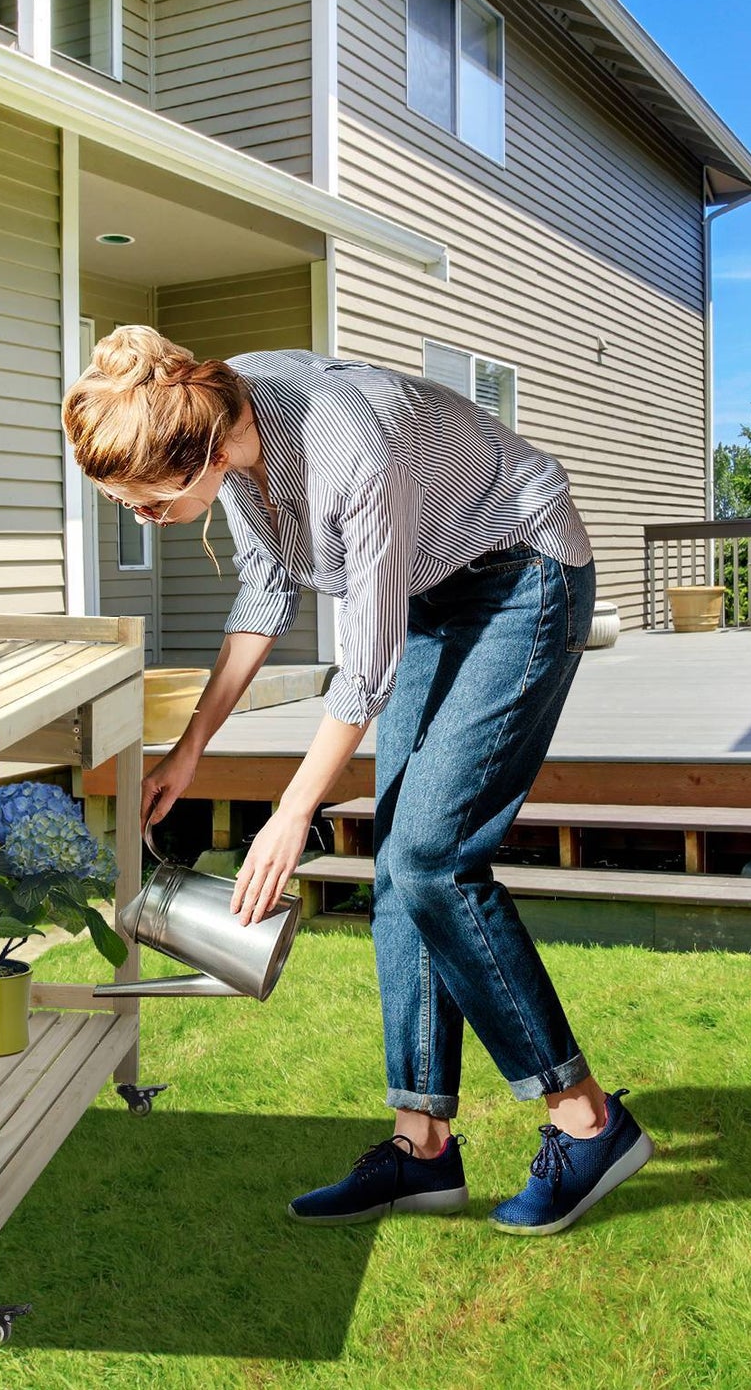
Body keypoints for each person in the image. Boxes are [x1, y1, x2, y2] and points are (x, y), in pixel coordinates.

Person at [61, 325, 653, 1235]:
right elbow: (263, 589)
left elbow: (363, 671)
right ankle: (422, 1149)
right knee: (400, 873)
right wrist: (190, 748)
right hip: (430, 589)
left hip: (522, 572)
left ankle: (587, 1121)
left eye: (145, 505)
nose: (140, 520)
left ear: (203, 453)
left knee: (429, 858)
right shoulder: (222, 417)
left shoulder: (347, 449)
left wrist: (291, 812)